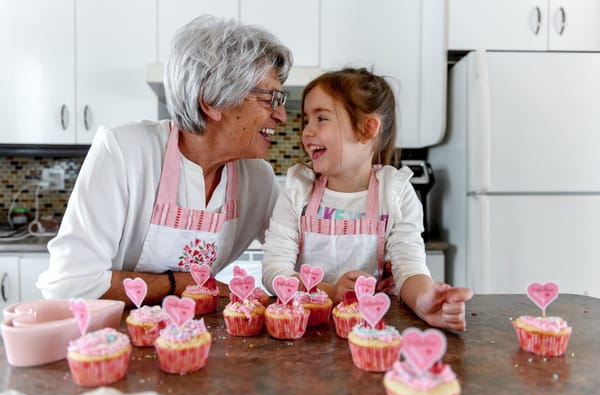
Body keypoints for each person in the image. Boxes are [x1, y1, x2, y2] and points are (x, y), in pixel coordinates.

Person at [37, 15, 293, 307]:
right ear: (210, 100)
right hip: (114, 340)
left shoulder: (257, 177)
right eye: (269, 98)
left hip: (192, 339)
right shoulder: (125, 152)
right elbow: (69, 282)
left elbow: (300, 254)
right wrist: (177, 284)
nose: (282, 116)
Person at [261, 67, 472, 330]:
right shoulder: (298, 188)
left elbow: (409, 268)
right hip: (307, 331)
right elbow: (274, 270)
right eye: (306, 120)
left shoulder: (394, 193)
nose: (306, 132)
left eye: (321, 119)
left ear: (367, 128)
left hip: (373, 329)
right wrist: (329, 291)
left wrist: (425, 300)